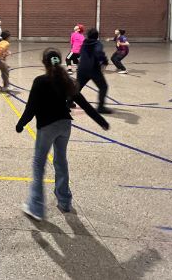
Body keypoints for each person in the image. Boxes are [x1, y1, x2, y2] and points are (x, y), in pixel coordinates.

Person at [16, 48, 110, 221]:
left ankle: (36, 206)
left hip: (47, 127)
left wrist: (21, 124)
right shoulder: (66, 80)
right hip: (65, 126)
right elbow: (84, 104)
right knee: (60, 161)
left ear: (44, 62)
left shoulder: (40, 81)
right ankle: (65, 201)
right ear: (59, 61)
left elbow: (31, 108)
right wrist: (101, 121)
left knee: (38, 164)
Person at [76, 28, 112, 114]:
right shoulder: (97, 43)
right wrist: (104, 61)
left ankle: (69, 102)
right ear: (97, 36)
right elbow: (99, 52)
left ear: (88, 35)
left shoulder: (84, 43)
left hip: (81, 68)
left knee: (77, 87)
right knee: (103, 87)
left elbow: (80, 53)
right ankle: (100, 107)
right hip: (93, 69)